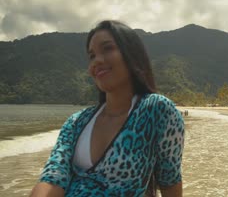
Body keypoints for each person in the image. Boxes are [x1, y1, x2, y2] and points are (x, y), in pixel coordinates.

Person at [30, 20, 184, 197]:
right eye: (92, 56)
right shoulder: (76, 122)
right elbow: (53, 179)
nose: (97, 61)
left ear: (131, 54)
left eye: (108, 49)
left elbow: (169, 182)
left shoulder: (155, 110)